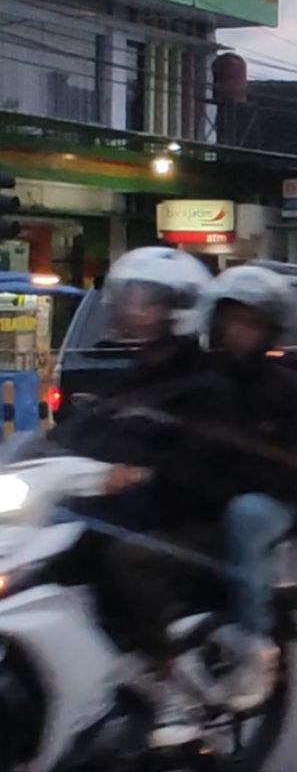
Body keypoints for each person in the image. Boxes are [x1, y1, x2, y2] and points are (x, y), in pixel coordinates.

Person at [48, 246, 229, 747]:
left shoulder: (206, 383)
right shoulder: (135, 371)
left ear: (179, 310)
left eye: (145, 301)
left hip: (189, 519)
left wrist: (142, 475)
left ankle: (169, 682)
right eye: (128, 299)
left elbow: (203, 461)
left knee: (125, 560)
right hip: (125, 510)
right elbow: (87, 429)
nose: (132, 310)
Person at [202, 265, 297, 712]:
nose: (239, 333)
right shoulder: (202, 377)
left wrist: (239, 481)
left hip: (273, 500)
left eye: (250, 323)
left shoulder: (289, 387)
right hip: (208, 488)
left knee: (244, 517)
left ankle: (253, 643)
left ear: (270, 329)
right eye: (232, 320)